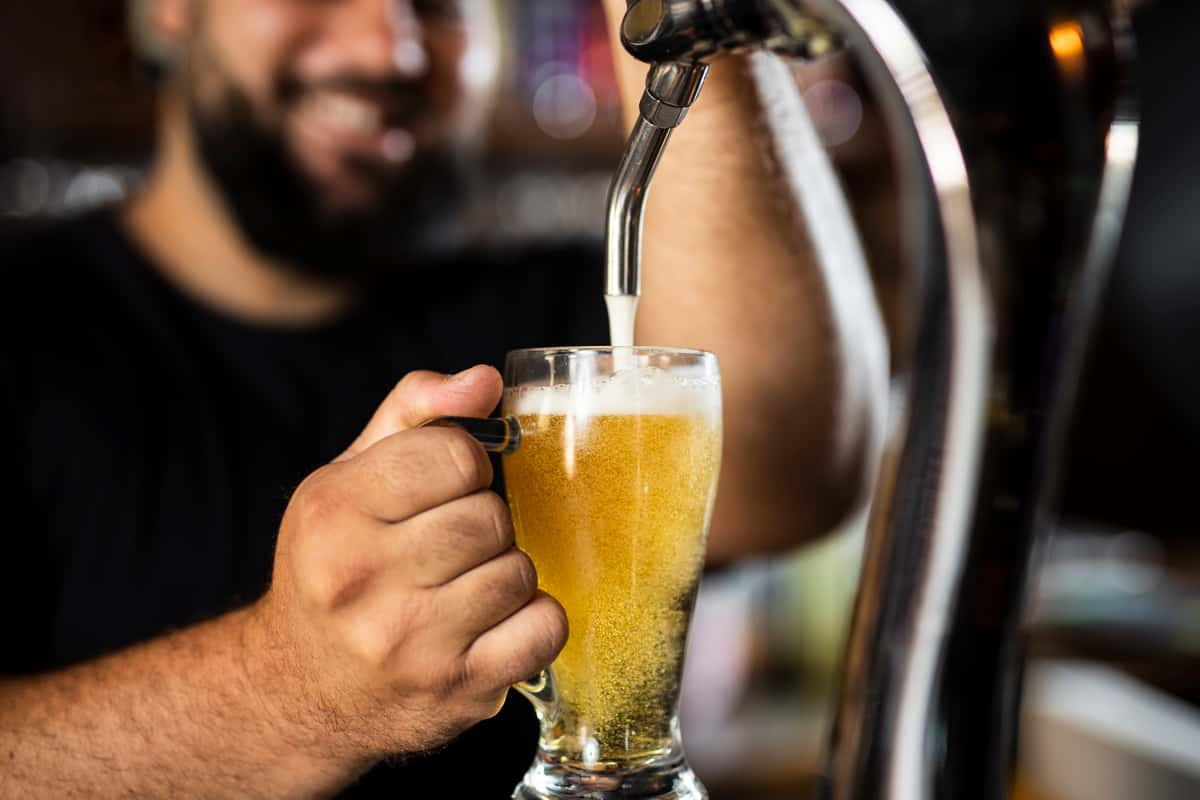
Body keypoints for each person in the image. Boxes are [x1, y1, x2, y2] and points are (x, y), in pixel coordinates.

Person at [0, 0, 884, 795]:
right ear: (166, 13)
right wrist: (288, 688)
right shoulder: (28, 332)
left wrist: (698, 23)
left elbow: (793, 468)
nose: (390, 44)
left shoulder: (543, 339)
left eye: (443, 3)